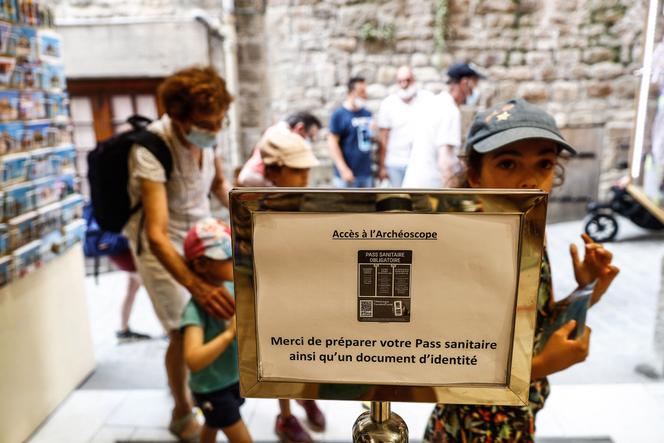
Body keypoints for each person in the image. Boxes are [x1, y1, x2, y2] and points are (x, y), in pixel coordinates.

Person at [423, 98, 620, 442]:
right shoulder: (462, 251)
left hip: (519, 420)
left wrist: (587, 291)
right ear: (474, 175)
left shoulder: (527, 233)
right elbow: (447, 369)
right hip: (473, 430)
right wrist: (542, 367)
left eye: (544, 163)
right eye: (508, 163)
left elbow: (536, 329)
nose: (529, 180)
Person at [124, 66, 236, 442]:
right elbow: (155, 233)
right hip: (162, 247)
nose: (215, 129)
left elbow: (218, 183)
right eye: (207, 122)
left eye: (221, 121)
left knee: (209, 321)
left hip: (199, 236)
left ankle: (211, 387)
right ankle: (181, 405)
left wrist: (251, 212)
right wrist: (195, 285)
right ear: (178, 116)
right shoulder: (151, 148)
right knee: (179, 330)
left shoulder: (209, 139)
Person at [238, 126, 324, 442]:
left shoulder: (307, 200)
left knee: (309, 351)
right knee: (279, 358)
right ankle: (285, 415)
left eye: (306, 171)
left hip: (304, 289)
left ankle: (307, 395)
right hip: (273, 295)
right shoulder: (257, 205)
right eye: (296, 171)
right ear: (274, 170)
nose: (304, 178)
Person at [181, 218, 252, 443]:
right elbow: (193, 360)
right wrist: (229, 334)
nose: (235, 261)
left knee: (212, 426)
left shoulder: (231, 286)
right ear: (201, 265)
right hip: (211, 388)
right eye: (227, 257)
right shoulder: (195, 309)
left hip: (231, 378)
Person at [402, 62, 484, 188]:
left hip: (415, 184)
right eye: (474, 83)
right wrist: (452, 196)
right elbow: (445, 161)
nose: (475, 89)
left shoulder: (435, 103)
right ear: (465, 83)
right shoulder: (450, 110)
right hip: (430, 188)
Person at [377, 65, 433, 187]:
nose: (404, 84)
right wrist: (382, 166)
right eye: (400, 81)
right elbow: (383, 138)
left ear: (413, 80)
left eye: (407, 80)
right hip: (395, 162)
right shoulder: (388, 104)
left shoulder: (426, 99)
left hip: (419, 162)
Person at [237, 111, 322, 187]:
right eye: (310, 137)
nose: (305, 180)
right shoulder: (280, 137)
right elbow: (248, 176)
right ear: (300, 128)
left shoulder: (277, 132)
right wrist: (275, 190)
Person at [328, 76, 379, 188]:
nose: (365, 95)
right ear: (351, 92)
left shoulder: (367, 113)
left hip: (365, 173)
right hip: (347, 174)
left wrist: (374, 132)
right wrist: (343, 169)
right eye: (361, 91)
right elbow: (332, 143)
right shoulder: (339, 115)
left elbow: (370, 140)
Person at [108, 252, 151, 341]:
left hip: (121, 257)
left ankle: (124, 329)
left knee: (131, 291)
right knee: (154, 292)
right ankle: (169, 331)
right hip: (129, 257)